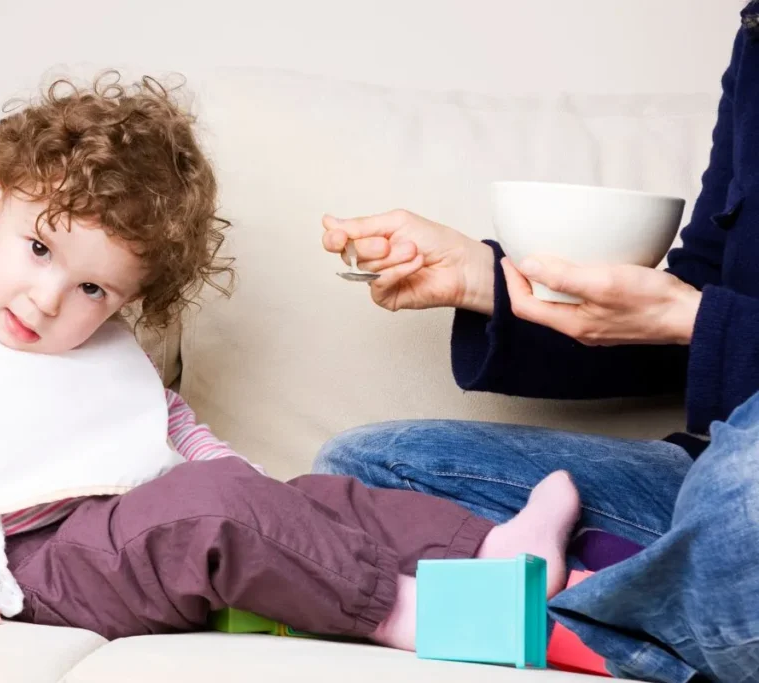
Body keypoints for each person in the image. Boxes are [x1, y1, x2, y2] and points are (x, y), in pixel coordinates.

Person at [0, 72, 580, 650]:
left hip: (120, 533)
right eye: (38, 248)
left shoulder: (100, 348)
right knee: (213, 507)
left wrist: (269, 501)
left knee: (314, 496)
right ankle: (403, 611)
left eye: (91, 286)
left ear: (127, 296)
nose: (48, 299)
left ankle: (488, 543)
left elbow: (173, 430)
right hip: (27, 568)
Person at [316, 11, 759, 683]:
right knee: (357, 475)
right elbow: (697, 306)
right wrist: (487, 280)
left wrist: (698, 319)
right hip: (712, 474)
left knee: (738, 506)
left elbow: (702, 319)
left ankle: (542, 612)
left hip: (739, 491)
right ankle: (665, 598)